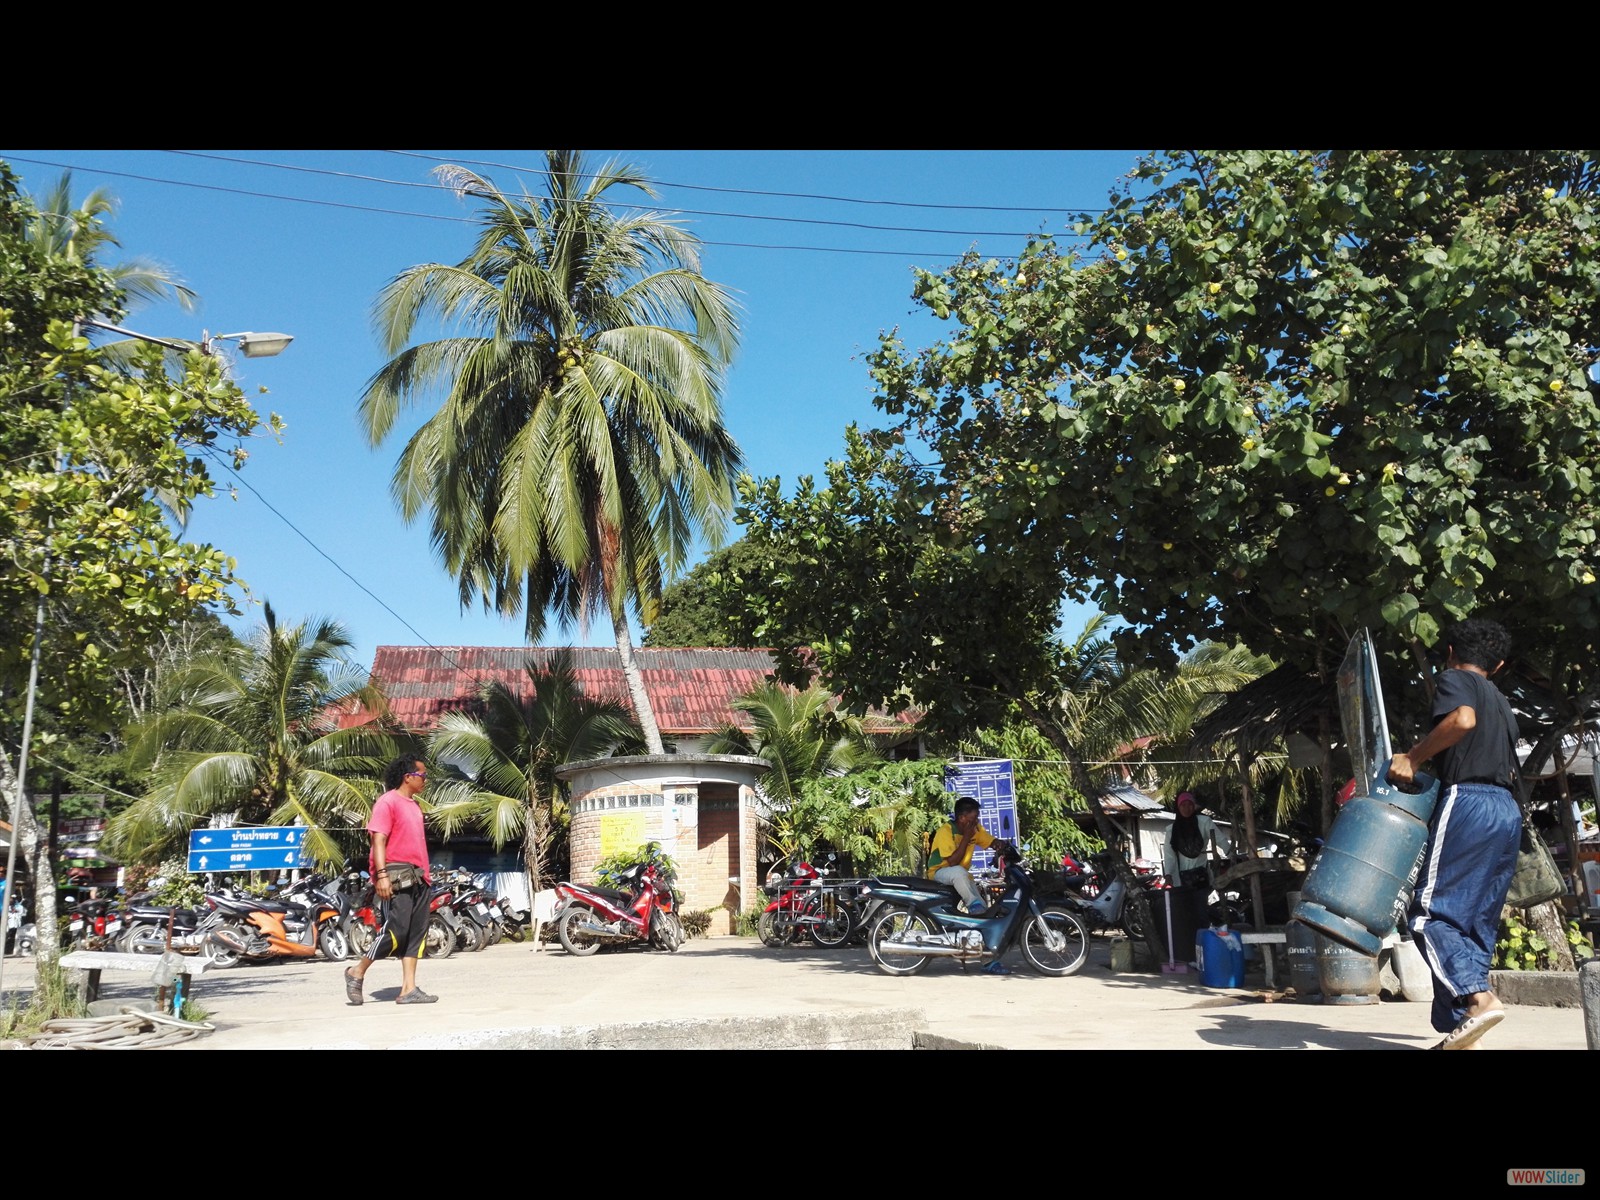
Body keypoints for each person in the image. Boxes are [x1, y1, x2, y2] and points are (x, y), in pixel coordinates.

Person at [1387, 618, 1521, 1050]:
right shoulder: (1501, 701)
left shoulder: (1455, 679)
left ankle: (1478, 1000)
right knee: (1475, 923)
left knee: (1429, 914)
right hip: (1507, 811)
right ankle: (1465, 1026)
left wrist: (1414, 756)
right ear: (1498, 664)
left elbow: (1461, 721)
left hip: (1468, 801)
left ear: (1449, 652)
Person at [344, 756, 437, 1005]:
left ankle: (408, 989)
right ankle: (357, 971)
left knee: (417, 933)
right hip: (396, 875)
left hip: (420, 876)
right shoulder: (388, 802)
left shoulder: (415, 806)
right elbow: (378, 840)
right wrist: (381, 875)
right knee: (396, 931)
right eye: (423, 775)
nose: (425, 780)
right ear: (408, 776)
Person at [926, 797, 996, 915]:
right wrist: (967, 837)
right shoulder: (946, 831)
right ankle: (972, 904)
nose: (976, 822)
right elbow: (953, 862)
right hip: (939, 871)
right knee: (959, 872)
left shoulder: (975, 829)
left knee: (983, 910)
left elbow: (991, 841)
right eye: (973, 818)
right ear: (962, 818)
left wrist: (1000, 845)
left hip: (962, 874)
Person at [1162, 792, 1218, 888]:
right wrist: (1168, 875)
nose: (1187, 808)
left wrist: (1232, 856)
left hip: (1201, 877)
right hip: (1180, 880)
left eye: (1190, 805)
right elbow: (1169, 855)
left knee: (1201, 902)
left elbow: (1220, 839)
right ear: (1178, 807)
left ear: (1194, 806)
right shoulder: (1172, 830)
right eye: (1183, 805)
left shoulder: (1204, 822)